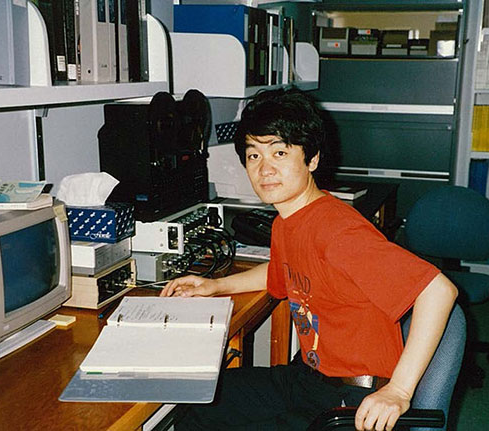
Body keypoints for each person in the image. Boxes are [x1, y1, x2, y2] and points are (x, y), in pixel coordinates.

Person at [161, 88, 458, 431]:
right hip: (310, 378)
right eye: (254, 155)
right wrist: (214, 286)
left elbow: (438, 291)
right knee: (197, 403)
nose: (265, 168)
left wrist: (400, 391)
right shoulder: (288, 221)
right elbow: (280, 271)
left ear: (312, 159)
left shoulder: (338, 232)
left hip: (353, 399)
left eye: (280, 152)